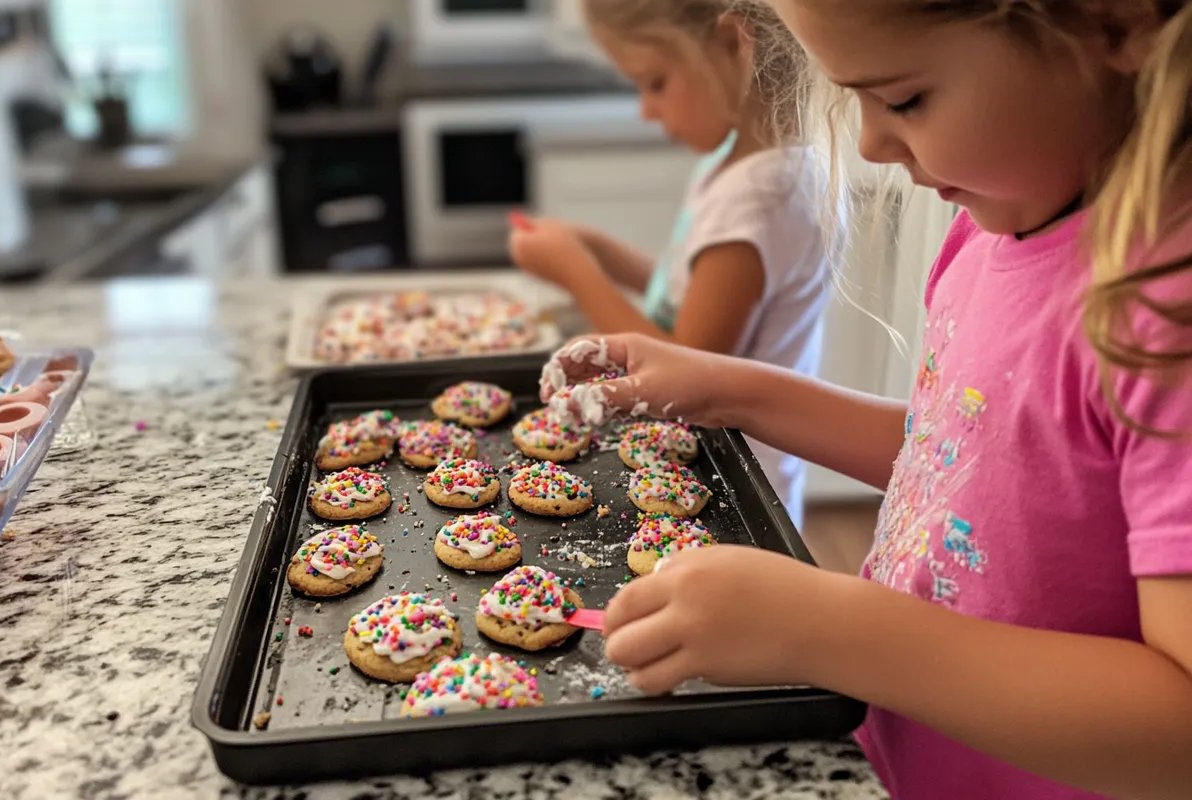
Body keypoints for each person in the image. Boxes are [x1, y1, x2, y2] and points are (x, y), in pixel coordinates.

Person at [543, 1, 1192, 798]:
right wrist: (724, 386)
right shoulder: (991, 231)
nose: (870, 143)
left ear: (1116, 24)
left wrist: (828, 628)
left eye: (905, 99)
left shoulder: (1164, 315)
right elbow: (965, 466)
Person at [509, 0, 844, 529]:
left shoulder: (759, 201)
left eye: (655, 82)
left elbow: (683, 370)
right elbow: (687, 296)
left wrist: (577, 273)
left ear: (733, 44)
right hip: (702, 463)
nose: (645, 109)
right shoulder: (741, 168)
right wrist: (601, 251)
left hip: (732, 490)